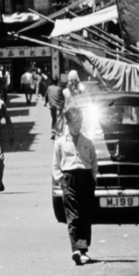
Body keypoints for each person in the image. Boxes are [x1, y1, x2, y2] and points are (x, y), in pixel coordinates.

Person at [54, 106, 99, 265]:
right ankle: (76, 250)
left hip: (85, 179)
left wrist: (93, 179)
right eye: (74, 124)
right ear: (67, 123)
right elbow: (56, 164)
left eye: (79, 123)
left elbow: (94, 164)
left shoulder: (88, 142)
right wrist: (62, 180)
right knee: (73, 216)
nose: (77, 127)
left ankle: (83, 249)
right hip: (69, 179)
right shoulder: (60, 143)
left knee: (85, 215)